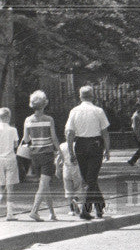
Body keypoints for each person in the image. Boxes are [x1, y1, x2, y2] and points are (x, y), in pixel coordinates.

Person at [64, 85, 111, 219]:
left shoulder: (74, 111)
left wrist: (70, 151)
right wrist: (107, 149)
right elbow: (105, 133)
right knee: (91, 179)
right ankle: (93, 208)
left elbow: (69, 133)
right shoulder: (98, 111)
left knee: (88, 179)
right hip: (95, 145)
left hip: (80, 145)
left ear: (80, 96)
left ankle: (94, 207)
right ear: (92, 96)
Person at [21, 90, 60, 221]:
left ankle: (52, 213)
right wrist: (60, 151)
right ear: (44, 105)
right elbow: (54, 138)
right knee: (43, 185)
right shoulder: (49, 119)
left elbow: (26, 139)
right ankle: (34, 210)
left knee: (45, 185)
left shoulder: (28, 120)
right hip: (47, 154)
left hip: (34, 155)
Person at [56, 141, 84, 215]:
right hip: (76, 168)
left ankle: (72, 210)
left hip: (66, 168)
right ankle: (75, 199)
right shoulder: (78, 144)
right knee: (78, 188)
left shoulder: (62, 146)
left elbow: (58, 158)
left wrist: (57, 169)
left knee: (68, 190)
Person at [0, 107, 18, 220]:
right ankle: (9, 213)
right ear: (8, 117)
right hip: (10, 158)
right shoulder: (13, 130)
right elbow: (16, 145)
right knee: (10, 186)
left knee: (1, 185)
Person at [127, 102, 140, 167]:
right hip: (138, 132)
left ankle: (132, 161)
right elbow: (135, 127)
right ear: (137, 107)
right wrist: (138, 136)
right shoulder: (136, 116)